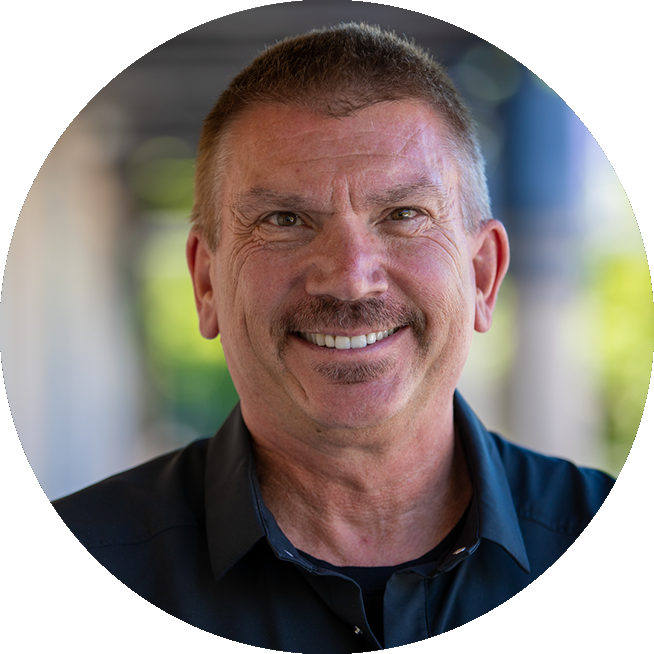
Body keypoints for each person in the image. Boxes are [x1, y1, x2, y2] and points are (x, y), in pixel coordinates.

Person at [1, 22, 653, 654]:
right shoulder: (47, 593)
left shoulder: (638, 572)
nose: (349, 280)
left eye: (403, 215)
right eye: (283, 219)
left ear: (482, 275)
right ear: (206, 284)